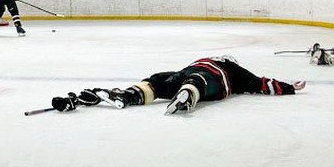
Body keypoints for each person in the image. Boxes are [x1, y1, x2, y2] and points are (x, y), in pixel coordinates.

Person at [51, 56, 304, 115]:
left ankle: (129, 95)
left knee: (160, 82)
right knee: (200, 83)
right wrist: (290, 87)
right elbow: (262, 84)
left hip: (185, 72)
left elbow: (170, 75)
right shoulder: (231, 69)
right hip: (206, 79)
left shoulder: (201, 60)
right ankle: (189, 95)